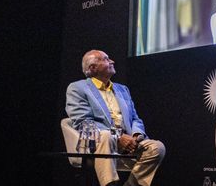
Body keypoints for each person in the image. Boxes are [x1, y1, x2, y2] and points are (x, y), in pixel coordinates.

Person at [66, 50, 166, 186]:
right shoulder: (78, 88)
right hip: (97, 142)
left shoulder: (122, 89)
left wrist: (136, 135)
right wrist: (118, 136)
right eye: (106, 59)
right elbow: (83, 121)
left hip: (127, 142)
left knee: (157, 148)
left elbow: (135, 118)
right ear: (93, 68)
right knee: (106, 136)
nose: (112, 61)